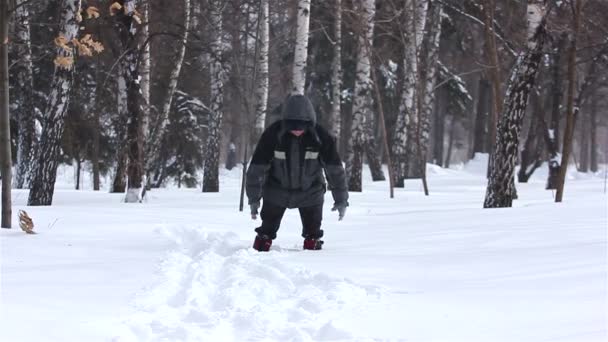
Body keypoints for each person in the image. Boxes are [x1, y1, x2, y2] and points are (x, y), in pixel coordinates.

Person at [246, 95, 348, 251]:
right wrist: (254, 198)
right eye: (293, 126)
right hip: (276, 191)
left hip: (311, 192)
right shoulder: (273, 135)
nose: (297, 130)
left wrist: (341, 200)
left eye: (301, 127)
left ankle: (312, 242)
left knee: (313, 231)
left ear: (309, 123)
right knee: (266, 230)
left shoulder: (320, 137)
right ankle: (263, 242)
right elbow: (256, 169)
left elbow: (335, 171)